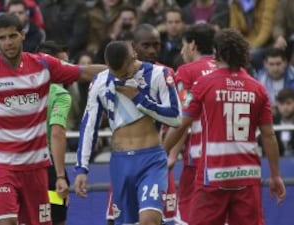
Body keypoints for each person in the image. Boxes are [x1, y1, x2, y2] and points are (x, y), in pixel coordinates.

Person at [0, 13, 106, 225]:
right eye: (2, 38)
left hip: (36, 166)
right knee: (6, 221)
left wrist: (126, 71)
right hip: (1, 165)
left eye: (12, 36)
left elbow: (83, 72)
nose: (8, 42)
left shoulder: (43, 65)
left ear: (23, 35)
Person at [163, 28, 286, 225]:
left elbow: (180, 124)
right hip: (247, 175)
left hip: (213, 175)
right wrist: (276, 176)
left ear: (216, 52)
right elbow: (269, 136)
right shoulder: (258, 88)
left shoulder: (204, 84)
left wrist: (162, 153)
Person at [74, 40, 181, 225]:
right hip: (120, 162)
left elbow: (175, 118)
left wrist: (140, 98)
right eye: (117, 74)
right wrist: (82, 168)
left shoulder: (158, 74)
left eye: (125, 73)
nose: (121, 78)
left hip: (151, 160)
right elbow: (89, 125)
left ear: (134, 56)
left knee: (149, 219)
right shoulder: (100, 81)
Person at [106, 23, 179, 225]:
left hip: (153, 157)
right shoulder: (112, 74)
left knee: (157, 219)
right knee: (115, 220)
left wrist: (167, 152)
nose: (152, 50)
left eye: (156, 45)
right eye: (146, 45)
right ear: (133, 47)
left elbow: (180, 120)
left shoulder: (164, 73)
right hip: (124, 160)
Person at [163, 23, 216, 223]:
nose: (182, 50)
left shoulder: (187, 71)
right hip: (229, 158)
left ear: (192, 45)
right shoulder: (228, 70)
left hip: (197, 159)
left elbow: (184, 118)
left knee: (188, 216)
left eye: (183, 45)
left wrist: (171, 155)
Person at [37, 41, 71, 225]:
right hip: (49, 169)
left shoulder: (18, 89)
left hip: (20, 166)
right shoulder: (59, 94)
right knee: (56, 221)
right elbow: (57, 133)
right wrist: (60, 176)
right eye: (64, 64)